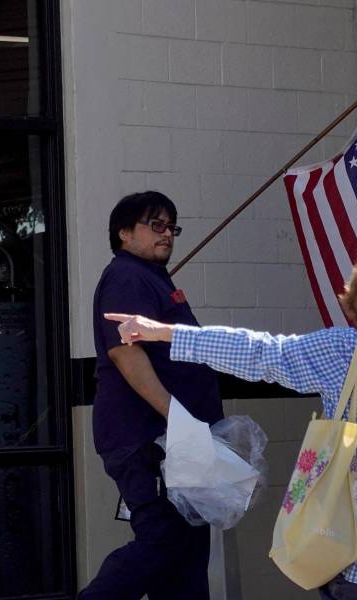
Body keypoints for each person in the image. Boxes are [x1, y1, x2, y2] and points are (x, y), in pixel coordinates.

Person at [104, 264, 357, 600]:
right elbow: (261, 352)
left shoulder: (345, 351)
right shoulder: (344, 352)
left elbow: (262, 353)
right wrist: (167, 333)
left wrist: (165, 332)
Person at [78, 191, 224, 600]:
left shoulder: (153, 277)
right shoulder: (127, 277)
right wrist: (177, 416)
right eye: (155, 225)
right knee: (162, 539)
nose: (167, 234)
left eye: (171, 227)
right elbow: (125, 353)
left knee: (188, 548)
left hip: (178, 440)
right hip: (149, 438)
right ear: (124, 233)